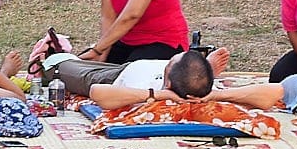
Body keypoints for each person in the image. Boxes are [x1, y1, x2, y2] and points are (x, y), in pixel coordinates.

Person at [49, 47, 231, 99]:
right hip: (133, 66)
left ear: (167, 85)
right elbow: (261, 91)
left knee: (55, 67)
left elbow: (98, 92)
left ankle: (53, 56)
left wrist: (161, 95)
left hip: (115, 78)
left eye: (170, 63)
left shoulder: (143, 90)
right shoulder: (203, 84)